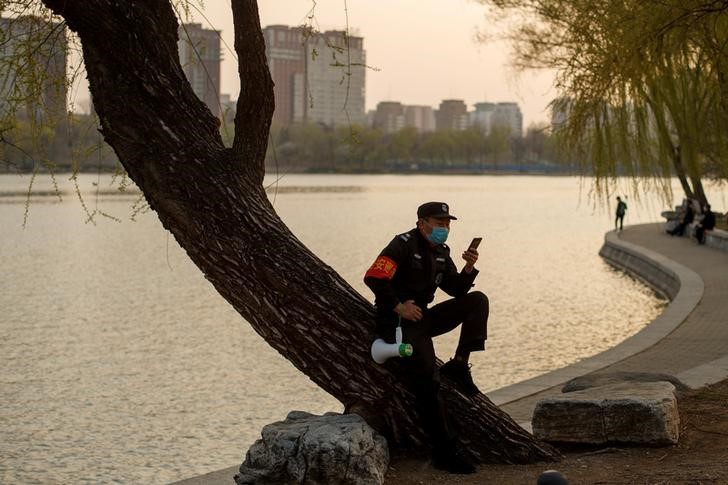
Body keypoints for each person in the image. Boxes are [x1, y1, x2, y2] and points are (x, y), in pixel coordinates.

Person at [363, 201, 489, 475]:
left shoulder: (442, 251)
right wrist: (399, 307)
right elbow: (373, 277)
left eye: (447, 224)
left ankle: (458, 364)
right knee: (429, 382)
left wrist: (468, 269)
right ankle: (445, 451)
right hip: (398, 320)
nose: (444, 228)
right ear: (422, 223)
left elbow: (456, 290)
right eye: (439, 222)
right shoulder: (402, 244)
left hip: (424, 317)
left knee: (477, 301)